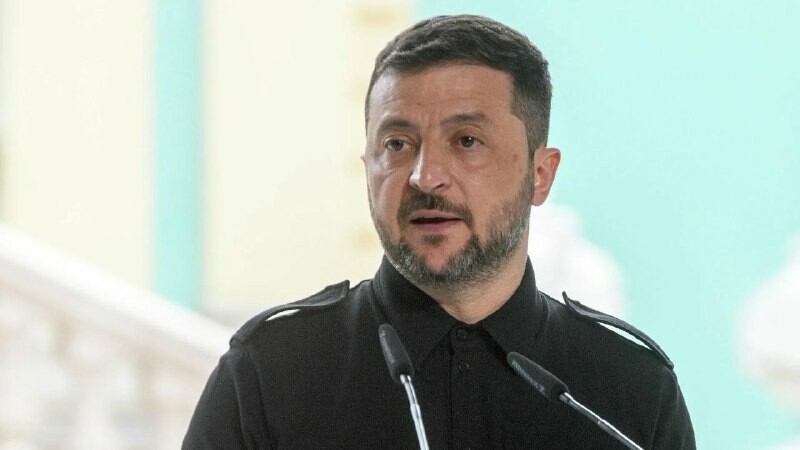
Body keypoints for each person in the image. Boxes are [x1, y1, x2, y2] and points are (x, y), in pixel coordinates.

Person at [183, 14, 695, 449]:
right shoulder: (272, 372)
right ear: (367, 167)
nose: (425, 177)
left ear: (540, 175)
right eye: (397, 144)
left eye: (466, 141)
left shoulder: (628, 390)